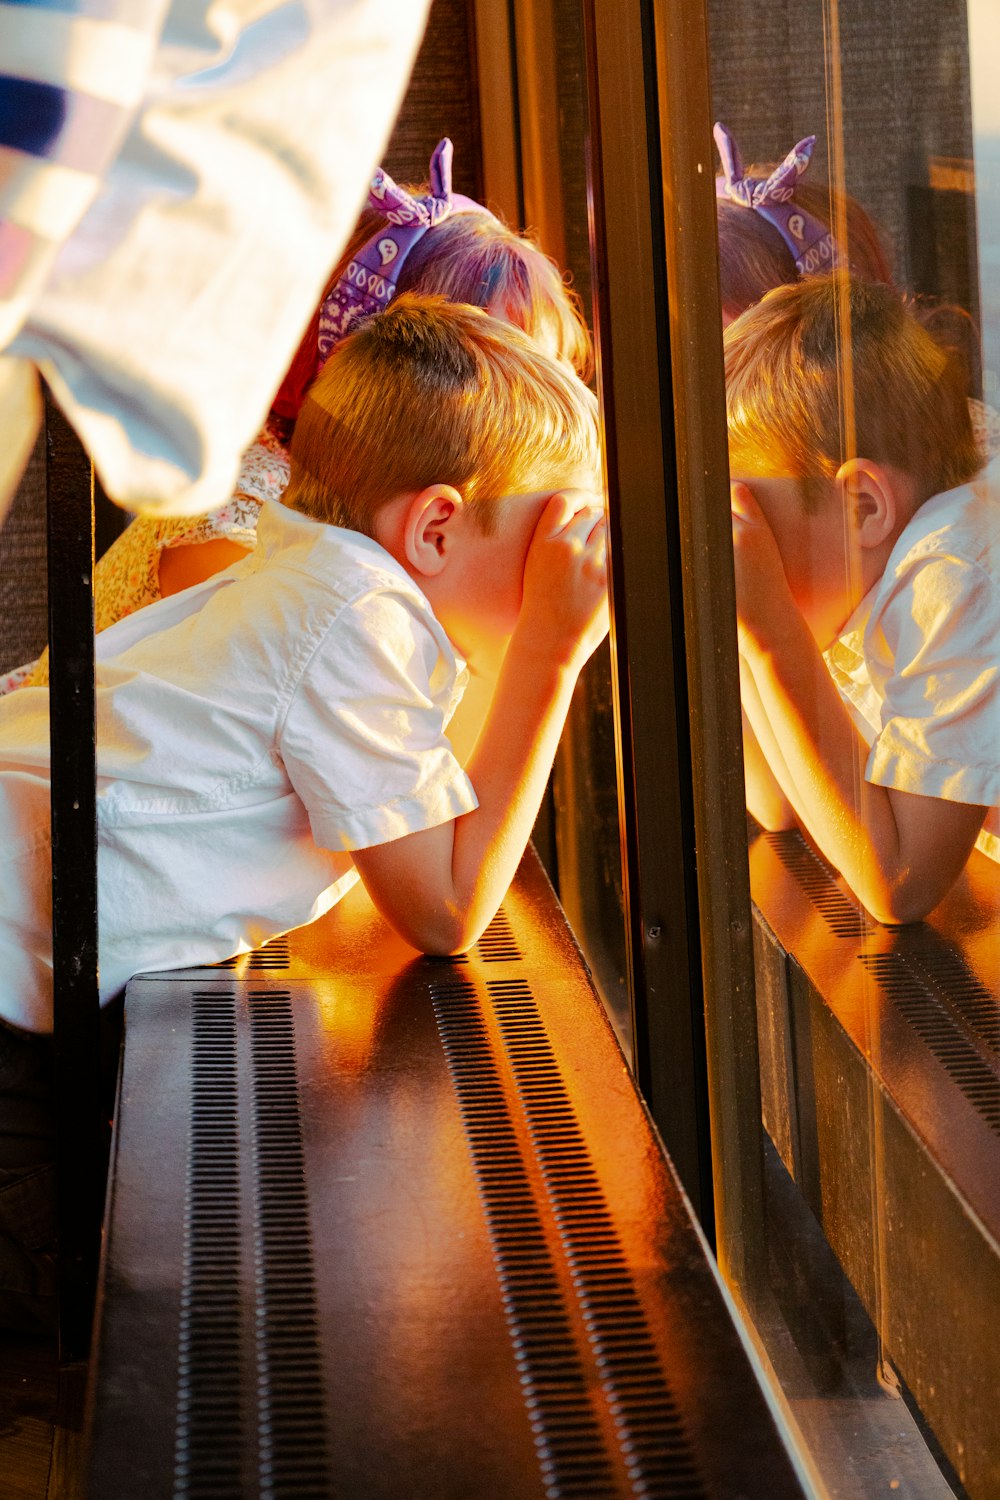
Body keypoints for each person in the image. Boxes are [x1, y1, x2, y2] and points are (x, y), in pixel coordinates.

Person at [0, 293, 607, 1328]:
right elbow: (443, 910)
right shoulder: (357, 615)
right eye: (554, 533)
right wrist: (550, 650)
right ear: (436, 526)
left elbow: (428, 806)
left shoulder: (308, 571)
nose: (574, 567)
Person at [0, 139, 591, 693]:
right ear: (391, 360)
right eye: (513, 392)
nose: (538, 425)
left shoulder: (380, 518)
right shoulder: (247, 528)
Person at [726, 273, 998, 925]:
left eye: (753, 519)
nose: (744, 551)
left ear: (863, 506)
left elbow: (898, 883)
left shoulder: (954, 571)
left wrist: (770, 630)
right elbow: (779, 804)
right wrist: (746, 625)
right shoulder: (878, 569)